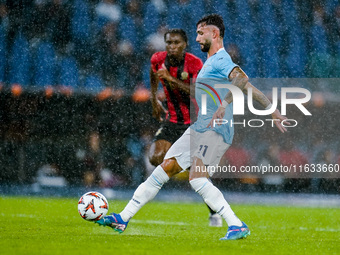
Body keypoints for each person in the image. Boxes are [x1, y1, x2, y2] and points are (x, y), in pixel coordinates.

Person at [96, 14, 289, 240]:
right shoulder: (212, 62)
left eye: (200, 33)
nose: (196, 38)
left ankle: (236, 224)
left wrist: (224, 104)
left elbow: (241, 78)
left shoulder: (220, 59)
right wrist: (272, 109)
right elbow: (248, 86)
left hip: (216, 129)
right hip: (200, 127)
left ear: (214, 34)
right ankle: (123, 218)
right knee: (164, 168)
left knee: (196, 178)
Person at [148, 28, 222, 226]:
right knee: (155, 157)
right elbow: (153, 74)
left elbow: (198, 91)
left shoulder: (195, 63)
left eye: (176, 43)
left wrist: (171, 80)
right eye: (169, 43)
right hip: (172, 120)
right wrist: (154, 98)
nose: (172, 47)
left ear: (185, 45)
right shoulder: (157, 59)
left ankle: (214, 211)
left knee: (196, 174)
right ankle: (181, 165)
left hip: (193, 123)